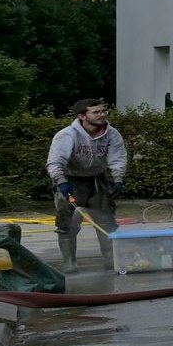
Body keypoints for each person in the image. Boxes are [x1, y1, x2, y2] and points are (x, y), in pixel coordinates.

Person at [45, 101, 127, 263]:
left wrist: (118, 179)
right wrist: (61, 182)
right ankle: (70, 264)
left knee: (107, 222)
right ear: (82, 116)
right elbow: (55, 162)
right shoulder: (67, 135)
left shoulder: (112, 134)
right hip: (71, 180)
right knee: (67, 224)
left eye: (103, 111)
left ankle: (112, 262)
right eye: (96, 112)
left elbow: (118, 158)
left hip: (97, 179)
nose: (102, 115)